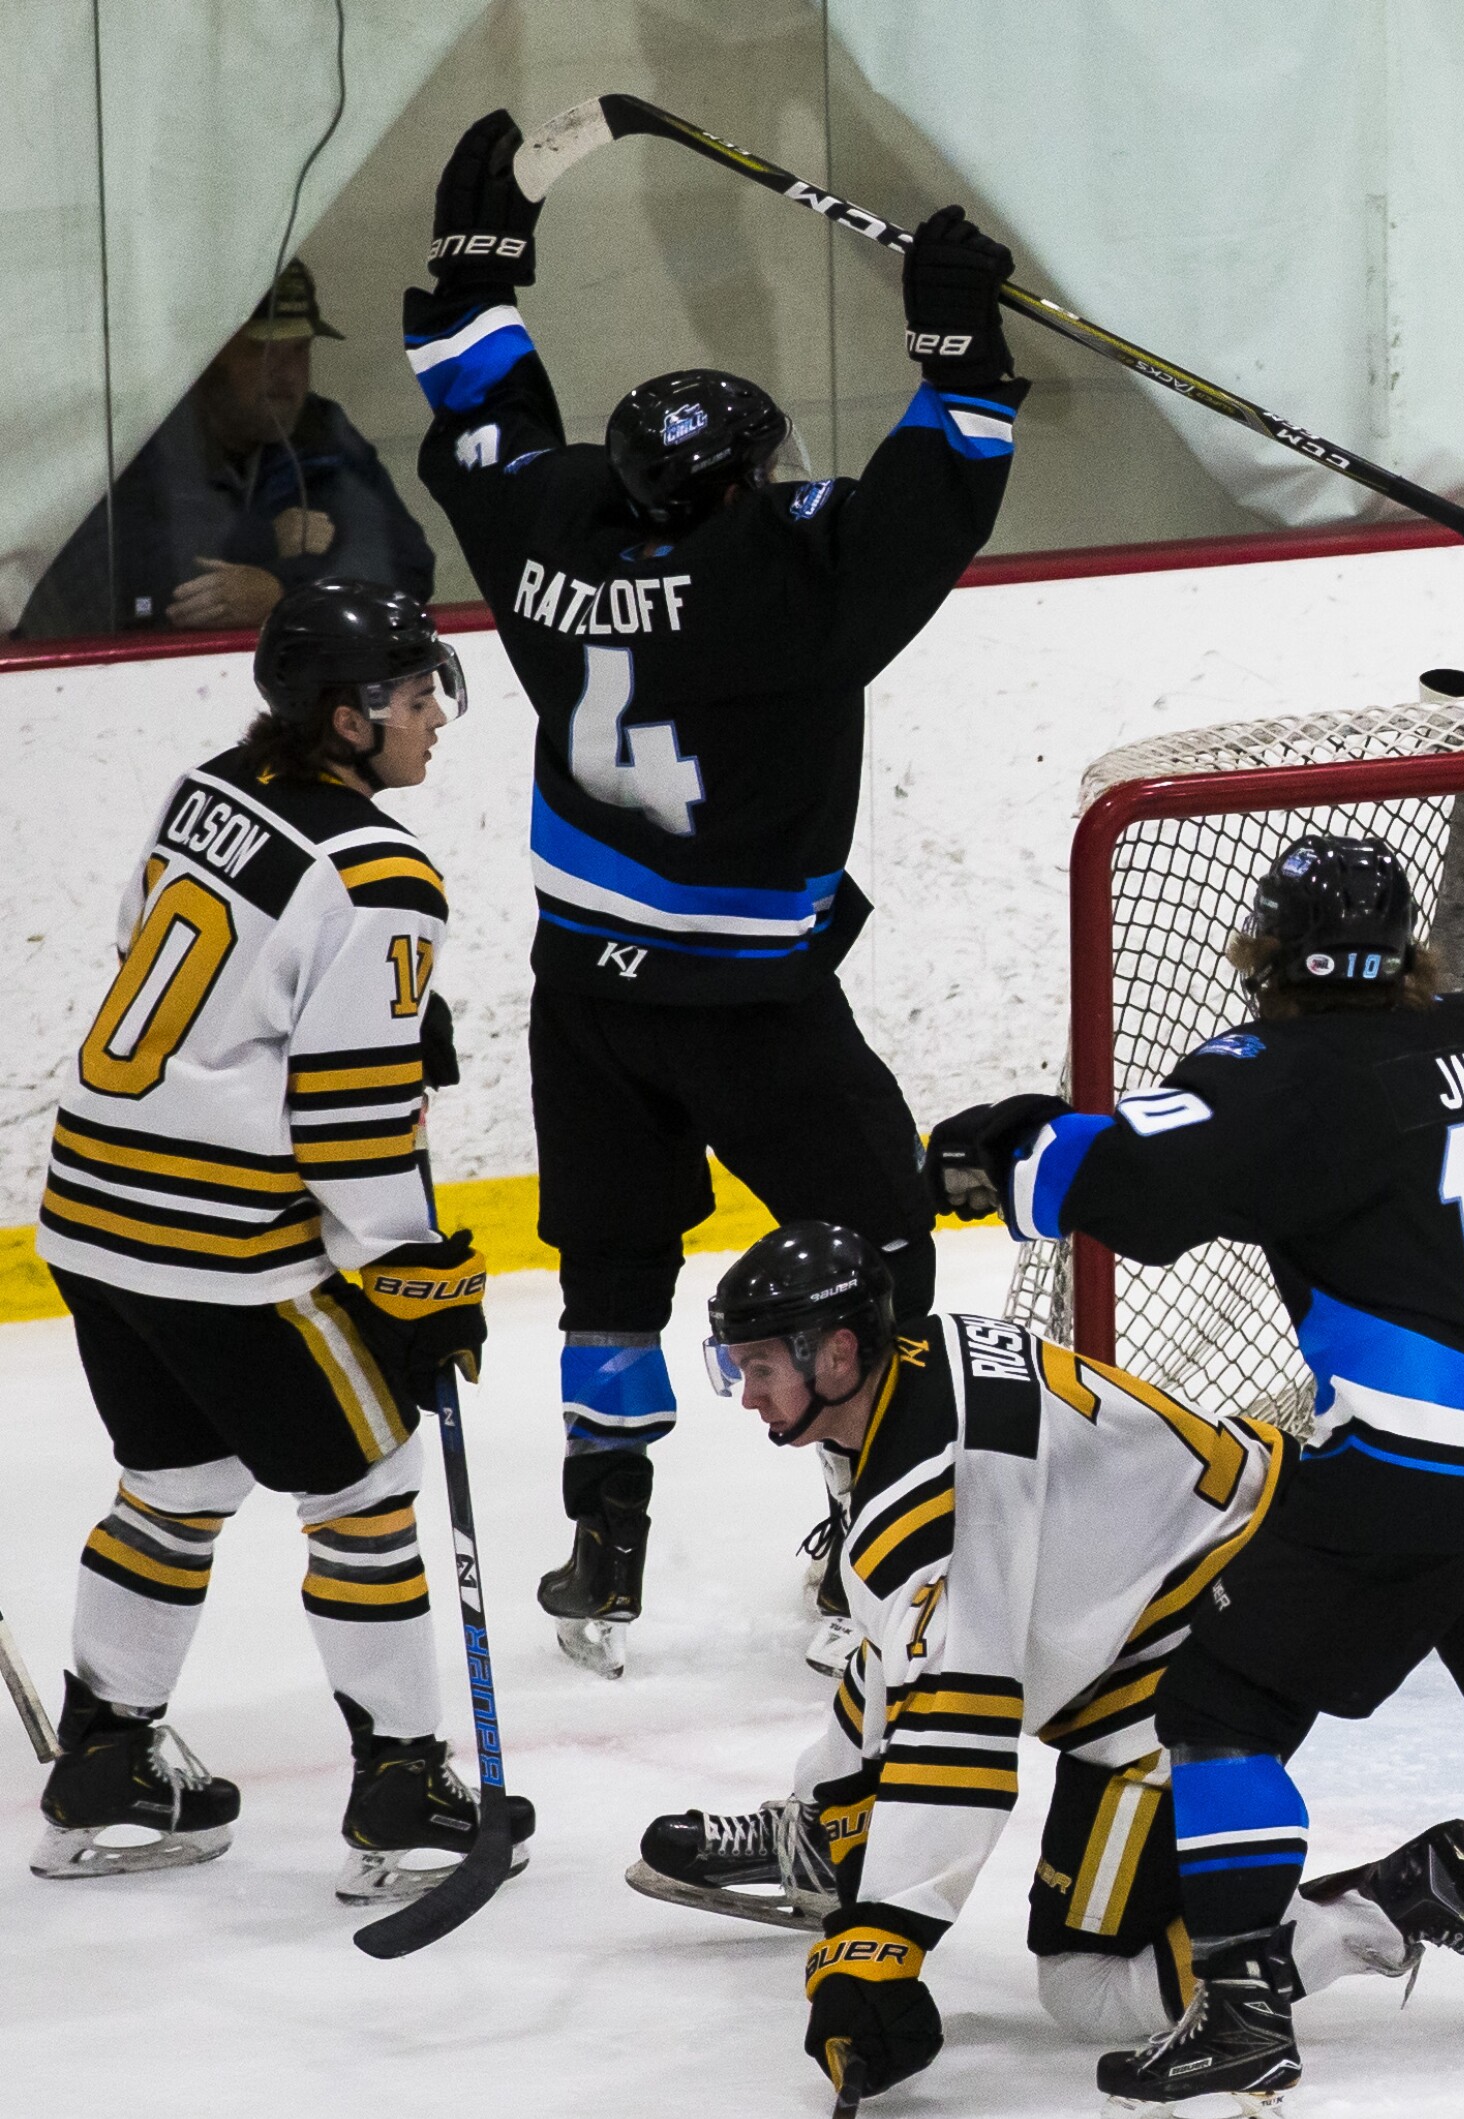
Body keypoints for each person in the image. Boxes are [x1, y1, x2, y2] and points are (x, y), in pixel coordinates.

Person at [924, 835, 1464, 2119]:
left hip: (1406, 1456)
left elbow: (1124, 1188)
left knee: (1220, 1709)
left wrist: (1004, 1143)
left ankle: (1241, 2026)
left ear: (1266, 952)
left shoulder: (1273, 1074)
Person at [396, 109, 1025, 1675]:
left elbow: (482, 409)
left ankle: (604, 1547)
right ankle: (870, 1529)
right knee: (881, 1236)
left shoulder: (548, 538)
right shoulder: (784, 597)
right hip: (751, 1005)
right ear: (742, 487)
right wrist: (954, 337)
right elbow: (943, 484)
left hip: (584, 1000)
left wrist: (478, 270)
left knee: (610, 1261)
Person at [641, 1225, 1464, 2107]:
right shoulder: (914, 1366)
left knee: (1087, 1986)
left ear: (836, 1353)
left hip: (1214, 1627)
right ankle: (814, 1824)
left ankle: (1400, 1902)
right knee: (912, 1711)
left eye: (758, 1367)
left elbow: (958, 1738)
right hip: (1233, 1555)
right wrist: (834, 1794)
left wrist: (884, 1942)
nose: (747, 1392)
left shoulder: (929, 1492)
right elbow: (906, 1648)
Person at [30, 578, 514, 1902]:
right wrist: (414, 1277)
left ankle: (107, 1761)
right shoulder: (382, 871)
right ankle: (405, 1793)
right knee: (362, 1493)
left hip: (90, 1214)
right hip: (224, 1250)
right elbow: (355, 1133)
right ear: (351, 718)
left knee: (177, 1488)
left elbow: (172, 963)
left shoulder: (207, 787)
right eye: (416, 698)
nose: (436, 720)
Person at [14, 260, 436, 641]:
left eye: (300, 348)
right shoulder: (134, 439)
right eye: (262, 349)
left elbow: (406, 567)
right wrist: (266, 540)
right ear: (208, 353)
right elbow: (135, 582)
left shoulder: (320, 431)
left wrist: (282, 593)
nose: (288, 375)